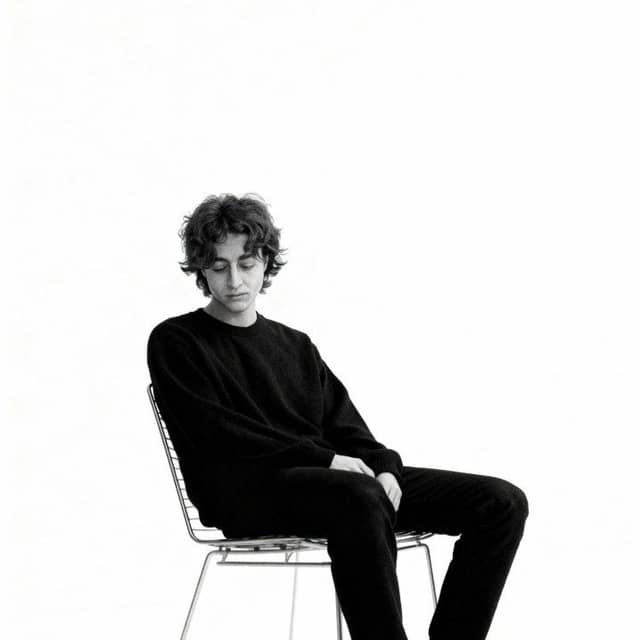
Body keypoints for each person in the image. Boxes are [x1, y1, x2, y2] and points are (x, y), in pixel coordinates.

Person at [146, 193, 529, 640]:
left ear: (266, 263)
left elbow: (346, 427)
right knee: (358, 496)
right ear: (201, 269)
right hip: (245, 494)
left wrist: (385, 468)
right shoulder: (177, 341)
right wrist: (327, 460)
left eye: (246, 264)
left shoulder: (295, 345)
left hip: (333, 489)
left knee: (500, 502)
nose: (234, 280)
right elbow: (220, 434)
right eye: (219, 267)